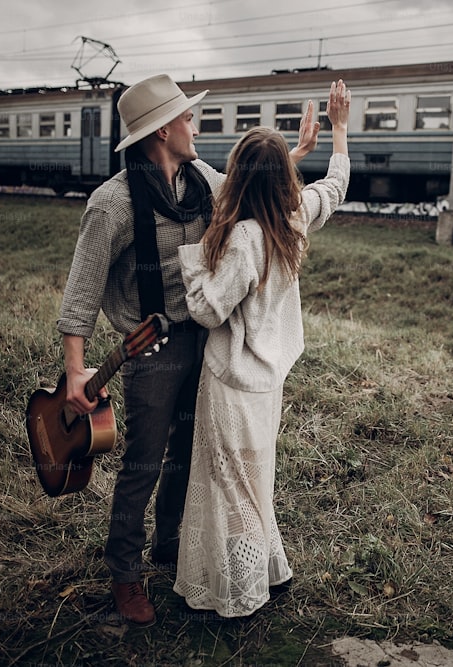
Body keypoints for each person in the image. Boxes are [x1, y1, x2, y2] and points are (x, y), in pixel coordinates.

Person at [56, 73, 319, 626]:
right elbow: (80, 292)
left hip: (207, 338)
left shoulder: (202, 177)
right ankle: (125, 574)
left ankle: (171, 545)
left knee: (188, 454)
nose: (193, 126)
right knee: (143, 462)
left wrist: (291, 155)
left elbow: (253, 182)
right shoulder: (111, 205)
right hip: (149, 351)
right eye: (186, 118)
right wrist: (76, 372)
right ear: (160, 131)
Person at [173, 80, 350, 617]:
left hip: (231, 388)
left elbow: (207, 310)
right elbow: (335, 186)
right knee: (256, 480)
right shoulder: (292, 221)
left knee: (232, 489)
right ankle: (267, 572)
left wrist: (195, 263)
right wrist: (338, 131)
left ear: (239, 176)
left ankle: (238, 591)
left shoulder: (244, 241)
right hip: (268, 386)